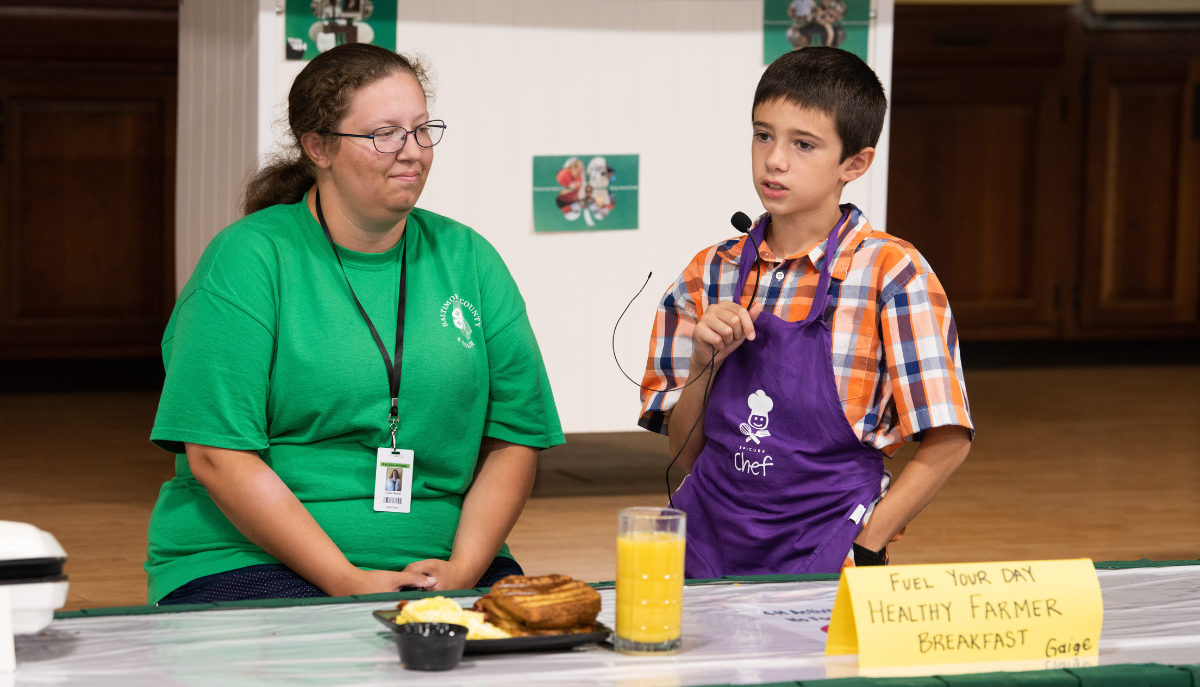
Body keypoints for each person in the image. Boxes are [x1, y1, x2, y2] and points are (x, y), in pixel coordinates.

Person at [146, 43, 563, 605]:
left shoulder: (470, 258)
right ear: (318, 147)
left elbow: (515, 436)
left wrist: (464, 567)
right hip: (247, 556)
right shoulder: (249, 259)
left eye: (422, 130)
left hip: (444, 559)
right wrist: (346, 582)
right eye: (384, 134)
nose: (411, 152)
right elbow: (218, 456)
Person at [638, 47, 973, 577]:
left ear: (855, 163)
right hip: (705, 544)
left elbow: (949, 437)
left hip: (830, 548)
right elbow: (683, 455)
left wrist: (867, 543)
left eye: (804, 144)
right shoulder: (710, 272)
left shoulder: (892, 273)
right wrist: (706, 360)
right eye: (763, 134)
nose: (774, 160)